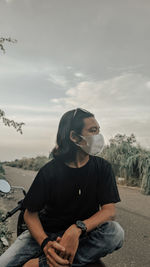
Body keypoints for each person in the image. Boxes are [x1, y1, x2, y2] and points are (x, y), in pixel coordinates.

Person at [0, 108, 124, 267]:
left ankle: (41, 264)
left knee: (115, 233)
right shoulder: (49, 172)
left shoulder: (102, 168)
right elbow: (30, 214)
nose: (98, 136)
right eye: (92, 131)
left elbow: (109, 211)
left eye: (98, 130)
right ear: (74, 137)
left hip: (83, 234)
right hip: (46, 233)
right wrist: (45, 244)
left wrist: (77, 229)